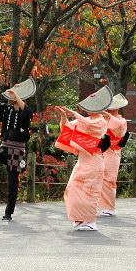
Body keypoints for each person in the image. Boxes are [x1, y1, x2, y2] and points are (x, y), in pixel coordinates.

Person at [55, 85, 112, 231]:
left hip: (94, 161)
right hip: (83, 161)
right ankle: (80, 218)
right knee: (73, 188)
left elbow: (89, 125)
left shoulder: (101, 121)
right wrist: (64, 116)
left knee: (89, 191)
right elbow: (67, 128)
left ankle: (90, 221)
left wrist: (74, 113)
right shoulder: (84, 120)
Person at [0, 79, 35, 222]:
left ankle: (8, 212)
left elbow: (26, 111)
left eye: (16, 97)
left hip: (17, 150)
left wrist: (16, 94)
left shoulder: (27, 111)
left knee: (13, 182)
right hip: (4, 147)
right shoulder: (7, 109)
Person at [99, 93, 129, 217]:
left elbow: (119, 128)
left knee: (109, 179)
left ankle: (110, 207)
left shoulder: (121, 120)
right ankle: (103, 205)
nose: (109, 110)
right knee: (100, 177)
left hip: (113, 151)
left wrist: (108, 116)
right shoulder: (104, 119)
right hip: (102, 151)